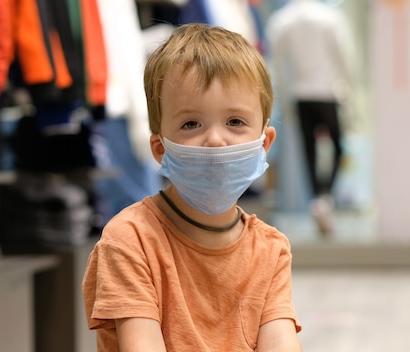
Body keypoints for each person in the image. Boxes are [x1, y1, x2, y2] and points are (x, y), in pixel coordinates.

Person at [82, 23, 302, 351]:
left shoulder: (270, 250)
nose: (215, 139)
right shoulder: (130, 240)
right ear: (160, 148)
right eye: (191, 124)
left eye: (235, 122)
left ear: (264, 142)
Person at [266, 0, 356, 235]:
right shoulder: (330, 18)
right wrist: (350, 91)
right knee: (337, 148)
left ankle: (318, 197)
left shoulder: (283, 20)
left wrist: (284, 100)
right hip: (327, 93)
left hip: (301, 95)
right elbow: (345, 57)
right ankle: (324, 197)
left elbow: (277, 62)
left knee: (310, 151)